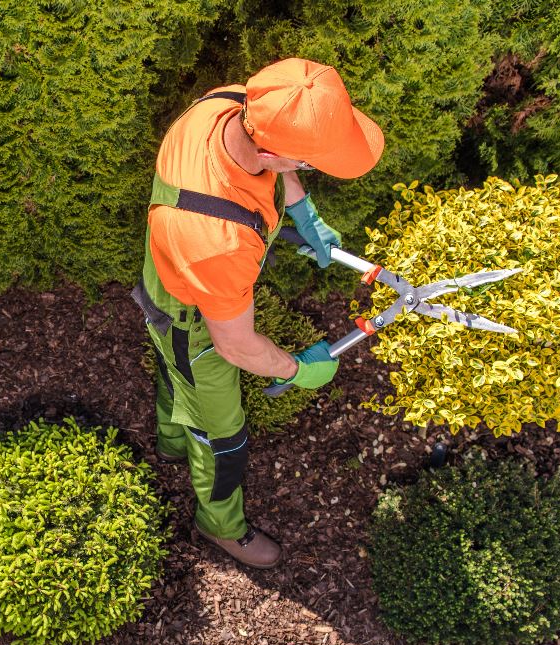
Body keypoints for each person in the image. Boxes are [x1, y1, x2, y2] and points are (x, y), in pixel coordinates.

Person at [132, 58, 384, 569]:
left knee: (171, 372)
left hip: (168, 274)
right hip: (192, 321)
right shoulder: (219, 244)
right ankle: (221, 525)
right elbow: (237, 347)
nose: (305, 172)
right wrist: (301, 367)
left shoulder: (228, 103)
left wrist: (303, 212)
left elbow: (276, 161)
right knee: (221, 434)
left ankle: (169, 440)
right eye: (308, 163)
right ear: (272, 151)